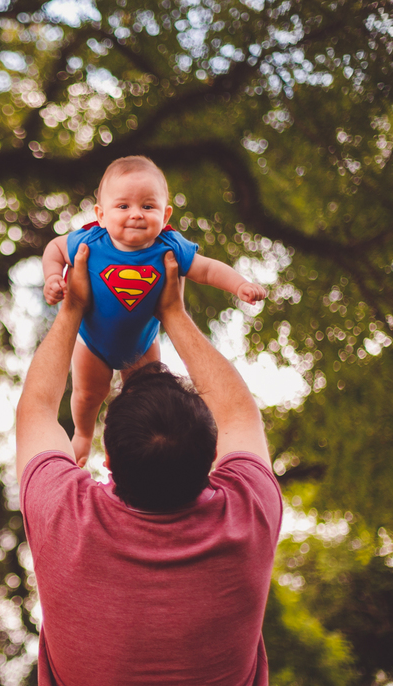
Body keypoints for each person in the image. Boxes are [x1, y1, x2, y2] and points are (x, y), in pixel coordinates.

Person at [15, 244, 283, 686]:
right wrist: (173, 313)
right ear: (212, 462)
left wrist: (71, 311)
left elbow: (37, 409)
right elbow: (237, 410)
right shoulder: (248, 517)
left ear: (107, 465)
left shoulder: (65, 515)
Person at [40, 155, 268, 467]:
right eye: (123, 206)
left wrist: (239, 285)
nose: (136, 214)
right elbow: (54, 248)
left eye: (148, 206)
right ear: (101, 214)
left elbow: (208, 269)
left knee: (145, 401)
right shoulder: (90, 239)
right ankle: (82, 434)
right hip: (93, 343)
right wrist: (53, 277)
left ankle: (119, 451)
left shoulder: (169, 247)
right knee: (86, 395)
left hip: (142, 345)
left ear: (165, 213)